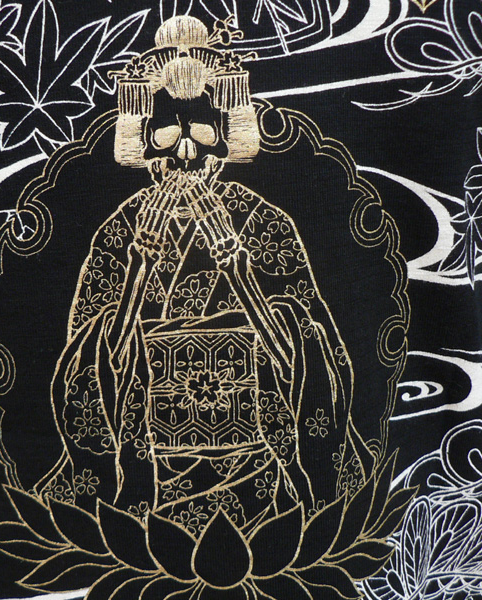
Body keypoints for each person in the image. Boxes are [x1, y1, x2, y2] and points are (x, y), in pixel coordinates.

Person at [42, 15, 363, 531]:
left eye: (204, 136)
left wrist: (239, 272)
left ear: (228, 142)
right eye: (167, 138)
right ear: (143, 145)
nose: (186, 154)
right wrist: (139, 269)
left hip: (257, 467)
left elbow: (307, 359)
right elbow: (90, 365)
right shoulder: (120, 231)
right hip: (148, 470)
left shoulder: (264, 222)